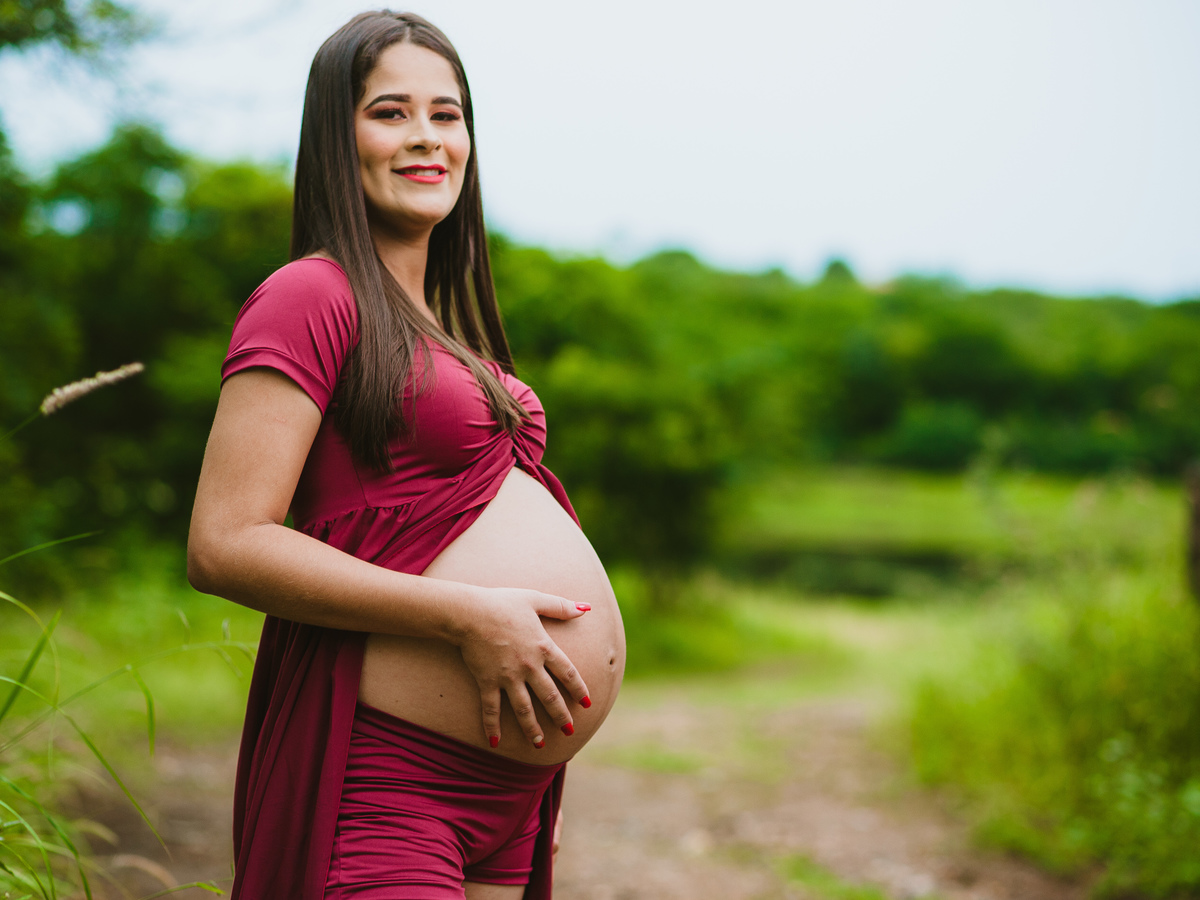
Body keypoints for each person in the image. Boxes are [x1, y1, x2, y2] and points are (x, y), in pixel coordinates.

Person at [186, 10, 626, 899]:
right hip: (389, 785)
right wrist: (467, 615)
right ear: (334, 136)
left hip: (505, 794)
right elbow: (224, 542)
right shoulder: (309, 295)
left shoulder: (448, 332)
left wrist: (534, 772)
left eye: (448, 113)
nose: (427, 138)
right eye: (390, 113)